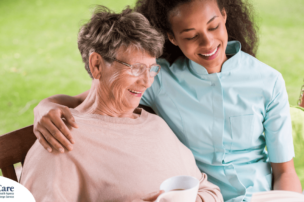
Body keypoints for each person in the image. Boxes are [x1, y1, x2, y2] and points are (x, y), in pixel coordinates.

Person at [32, 0, 302, 201]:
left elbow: (285, 171)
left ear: (225, 16)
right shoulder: (159, 79)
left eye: (214, 26)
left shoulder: (268, 81)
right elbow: (93, 99)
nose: (208, 43)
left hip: (263, 196)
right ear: (172, 38)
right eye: (190, 35)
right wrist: (44, 108)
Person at [20, 6, 223, 202]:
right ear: (97, 65)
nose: (146, 82)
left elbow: (210, 191)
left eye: (152, 69)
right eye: (135, 68)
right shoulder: (60, 140)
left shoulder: (156, 126)